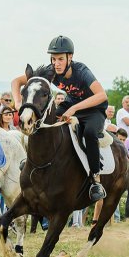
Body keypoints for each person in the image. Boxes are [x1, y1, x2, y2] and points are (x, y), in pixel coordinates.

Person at [11, 35, 110, 202]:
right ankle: (31, 159)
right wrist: (18, 101)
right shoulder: (51, 72)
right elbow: (16, 81)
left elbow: (102, 95)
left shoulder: (82, 71)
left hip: (94, 110)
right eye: (54, 59)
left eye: (60, 59)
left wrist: (74, 108)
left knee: (90, 133)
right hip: (71, 105)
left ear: (70, 57)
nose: (56, 63)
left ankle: (95, 180)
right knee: (42, 122)